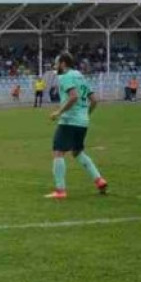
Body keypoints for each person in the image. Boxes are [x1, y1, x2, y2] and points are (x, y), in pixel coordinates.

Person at [46, 52, 108, 199]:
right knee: (77, 152)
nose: (55, 66)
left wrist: (58, 112)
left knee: (58, 152)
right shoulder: (80, 76)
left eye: (56, 63)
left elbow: (73, 97)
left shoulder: (65, 77)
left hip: (69, 120)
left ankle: (60, 191)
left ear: (63, 63)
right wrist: (86, 115)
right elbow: (94, 100)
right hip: (82, 121)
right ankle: (99, 180)